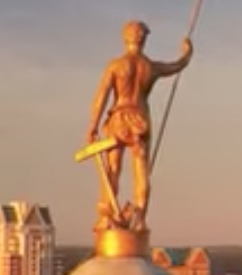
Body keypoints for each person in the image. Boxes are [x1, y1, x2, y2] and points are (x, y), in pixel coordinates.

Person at [81, 21, 193, 226]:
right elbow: (177, 65)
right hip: (140, 119)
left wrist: (92, 126)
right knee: (141, 171)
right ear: (144, 39)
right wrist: (187, 53)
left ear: (125, 38)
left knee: (113, 168)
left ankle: (107, 218)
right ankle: (140, 218)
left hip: (118, 119)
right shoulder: (150, 67)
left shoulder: (115, 65)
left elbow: (101, 97)